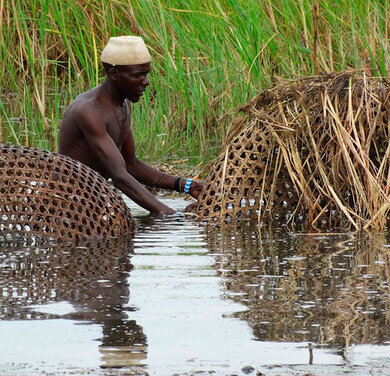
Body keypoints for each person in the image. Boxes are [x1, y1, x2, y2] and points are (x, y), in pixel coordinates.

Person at [59, 36, 204, 214]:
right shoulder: (88, 110)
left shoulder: (123, 104)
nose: (146, 82)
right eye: (138, 75)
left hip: (93, 200)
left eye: (146, 74)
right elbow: (119, 176)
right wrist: (172, 215)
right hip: (67, 202)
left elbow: (130, 165)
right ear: (114, 74)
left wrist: (186, 185)